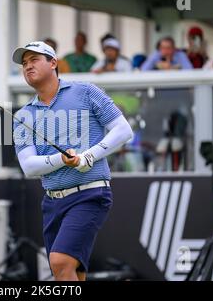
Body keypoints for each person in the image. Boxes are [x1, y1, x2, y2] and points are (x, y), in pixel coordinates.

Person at [11, 41, 133, 281]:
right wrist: (62, 159)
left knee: (60, 261)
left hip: (89, 194)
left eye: (34, 60)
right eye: (24, 63)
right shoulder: (23, 115)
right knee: (70, 273)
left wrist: (89, 155)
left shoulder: (86, 91)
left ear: (53, 63)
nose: (28, 66)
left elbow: (123, 130)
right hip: (52, 202)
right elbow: (28, 166)